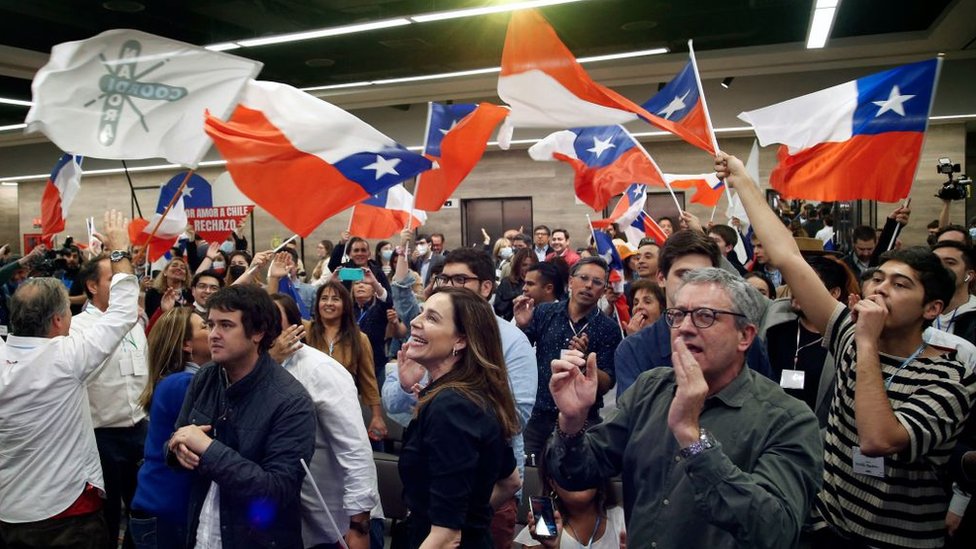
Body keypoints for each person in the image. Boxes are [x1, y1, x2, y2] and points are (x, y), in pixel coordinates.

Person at [720, 151, 976, 549]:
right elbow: (789, 258)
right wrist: (743, 182)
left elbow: (879, 439)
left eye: (900, 285)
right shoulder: (850, 334)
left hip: (898, 542)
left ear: (933, 309)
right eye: (878, 279)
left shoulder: (950, 379)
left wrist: (867, 342)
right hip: (827, 530)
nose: (880, 289)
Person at [546, 267, 823, 546]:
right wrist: (572, 420)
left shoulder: (788, 419)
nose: (685, 327)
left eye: (705, 316)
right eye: (677, 315)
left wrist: (692, 438)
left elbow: (775, 531)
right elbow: (577, 474)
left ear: (745, 336)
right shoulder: (650, 389)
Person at [384, 248, 537, 548]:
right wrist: (470, 514)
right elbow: (510, 481)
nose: (415, 322)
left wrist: (458, 520)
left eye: (431, 318)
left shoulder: (453, 406)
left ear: (460, 341)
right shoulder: (460, 393)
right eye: (421, 312)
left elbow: (446, 536)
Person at [0, 211, 135, 547]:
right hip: (67, 515)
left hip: (9, 512)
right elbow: (123, 312)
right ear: (59, 321)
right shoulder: (67, 358)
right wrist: (119, 251)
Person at [167, 284, 316, 548]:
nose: (213, 334)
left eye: (226, 325)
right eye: (210, 324)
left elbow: (277, 490)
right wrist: (176, 449)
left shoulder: (292, 401)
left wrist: (208, 449)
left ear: (258, 332)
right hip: (202, 532)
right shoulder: (206, 376)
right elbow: (179, 436)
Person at [269, 294, 379, 549]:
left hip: (336, 522)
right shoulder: (254, 368)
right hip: (290, 518)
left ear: (295, 328)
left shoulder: (320, 370)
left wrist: (359, 525)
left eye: (275, 322)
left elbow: (354, 449)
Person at [614, 230, 772, 397]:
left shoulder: (742, 339)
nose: (694, 284)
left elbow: (768, 405)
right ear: (661, 278)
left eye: (705, 275)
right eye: (684, 275)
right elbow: (634, 419)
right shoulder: (634, 349)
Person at [74, 252, 152, 547]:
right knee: (105, 516)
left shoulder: (134, 322)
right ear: (93, 286)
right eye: (113, 279)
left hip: (139, 429)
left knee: (142, 508)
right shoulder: (80, 328)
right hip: (101, 435)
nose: (122, 284)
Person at [513, 256, 621, 457]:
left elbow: (607, 383)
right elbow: (521, 353)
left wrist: (585, 362)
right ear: (571, 281)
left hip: (582, 419)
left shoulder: (608, 328)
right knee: (529, 478)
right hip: (540, 415)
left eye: (597, 282)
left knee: (575, 478)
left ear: (603, 290)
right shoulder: (545, 312)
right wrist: (522, 326)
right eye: (583, 278)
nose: (589, 285)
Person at [130, 308, 210, 549]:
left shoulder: (180, 381)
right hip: (165, 513)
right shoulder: (181, 384)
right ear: (187, 345)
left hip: (163, 510)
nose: (215, 332)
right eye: (206, 327)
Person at [307, 279, 389, 445]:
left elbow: (369, 381)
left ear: (345, 305)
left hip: (345, 413)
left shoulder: (359, 338)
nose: (329, 303)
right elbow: (275, 314)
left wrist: (377, 416)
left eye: (335, 299)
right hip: (310, 414)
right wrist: (274, 278)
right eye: (324, 298)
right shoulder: (305, 331)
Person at [515, 458, 625, 548]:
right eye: (567, 470)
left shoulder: (623, 521)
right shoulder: (541, 530)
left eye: (586, 468)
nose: (578, 477)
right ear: (552, 483)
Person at [931, 240, 976, 341]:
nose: (940, 268)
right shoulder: (915, 312)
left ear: (969, 275)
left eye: (950, 263)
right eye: (935, 262)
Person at [494, 248, 536, 321]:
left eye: (531, 265)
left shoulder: (539, 284)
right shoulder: (506, 282)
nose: (528, 268)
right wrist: (513, 302)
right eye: (524, 265)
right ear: (518, 265)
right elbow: (498, 308)